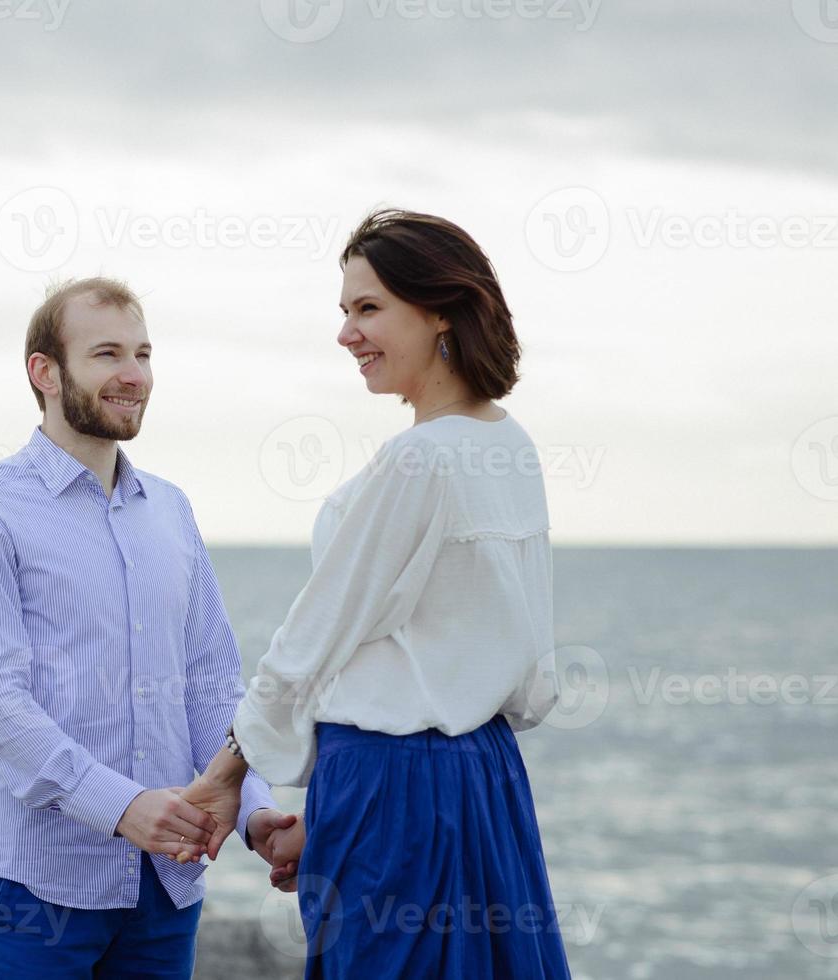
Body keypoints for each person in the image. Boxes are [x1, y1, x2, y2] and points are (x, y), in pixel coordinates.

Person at [178, 210, 573, 978]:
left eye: (369, 309)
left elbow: (315, 635)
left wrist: (226, 773)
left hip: (392, 786)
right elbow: (527, 675)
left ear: (440, 313)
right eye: (345, 311)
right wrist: (326, 818)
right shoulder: (510, 448)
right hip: (484, 782)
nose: (346, 333)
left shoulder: (418, 461)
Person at [0, 276, 300, 979]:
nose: (134, 376)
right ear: (45, 371)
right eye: (106, 354)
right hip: (35, 891)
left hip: (165, 890)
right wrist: (123, 807)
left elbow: (213, 688)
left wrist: (255, 812)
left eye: (144, 353)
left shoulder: (171, 510)